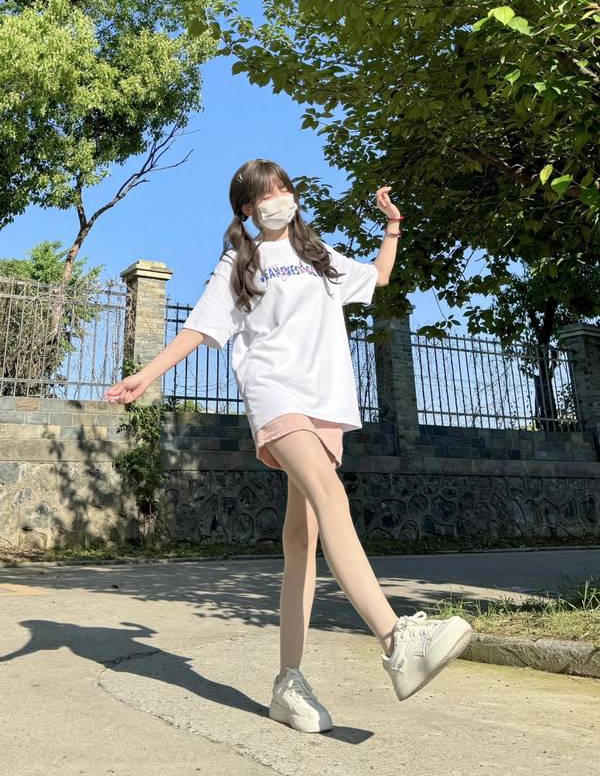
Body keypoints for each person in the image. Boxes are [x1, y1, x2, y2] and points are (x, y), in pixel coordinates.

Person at [104, 158, 473, 734]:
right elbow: (201, 326)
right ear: (247, 208)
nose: (278, 197)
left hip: (325, 400)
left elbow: (377, 278)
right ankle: (397, 639)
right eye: (264, 193)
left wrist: (392, 226)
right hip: (275, 393)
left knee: (303, 539)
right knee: (331, 497)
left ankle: (288, 683)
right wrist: (146, 375)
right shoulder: (242, 260)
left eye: (282, 187)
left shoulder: (317, 254)